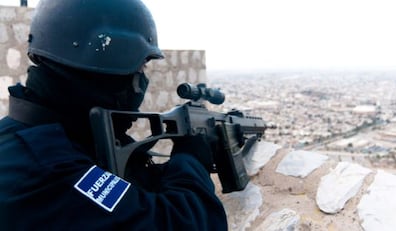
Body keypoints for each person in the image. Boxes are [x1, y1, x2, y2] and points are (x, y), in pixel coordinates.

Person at [0, 0, 228, 230]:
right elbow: (182, 223)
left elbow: (123, 203)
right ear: (112, 66)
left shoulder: (31, 137)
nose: (141, 79)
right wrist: (191, 159)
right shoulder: (49, 166)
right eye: (141, 67)